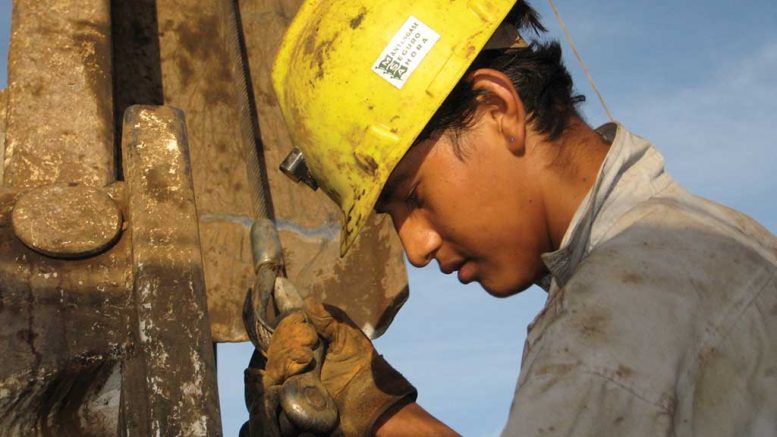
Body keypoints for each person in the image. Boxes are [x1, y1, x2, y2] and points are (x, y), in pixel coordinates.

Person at [258, 0, 777, 435]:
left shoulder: (613, 324)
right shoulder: (703, 249)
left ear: (499, 109)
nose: (415, 248)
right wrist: (375, 408)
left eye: (411, 196)